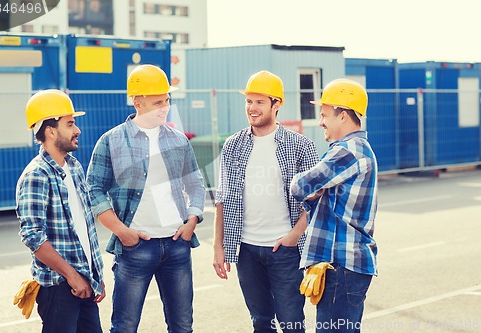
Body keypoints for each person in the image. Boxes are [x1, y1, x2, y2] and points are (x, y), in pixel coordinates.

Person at [86, 64, 206, 333]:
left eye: (166, 100)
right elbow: (93, 189)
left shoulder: (179, 140)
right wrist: (121, 231)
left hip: (177, 245)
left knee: (183, 326)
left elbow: (196, 183)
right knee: (125, 327)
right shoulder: (111, 141)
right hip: (134, 248)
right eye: (157, 102)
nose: (164, 107)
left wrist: (192, 219)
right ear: (137, 102)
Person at [213, 70, 320, 333]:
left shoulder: (300, 146)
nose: (252, 108)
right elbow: (222, 198)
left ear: (277, 104)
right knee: (261, 323)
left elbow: (315, 201)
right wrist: (219, 246)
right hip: (246, 250)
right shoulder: (233, 145)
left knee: (292, 323)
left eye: (260, 102)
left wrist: (294, 236)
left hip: (284, 250)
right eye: (249, 101)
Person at [290, 78, 378, 333]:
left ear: (343, 116)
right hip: (344, 265)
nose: (320, 122)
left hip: (342, 265)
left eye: (324, 114)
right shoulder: (352, 150)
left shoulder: (348, 151)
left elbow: (300, 187)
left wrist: (311, 188)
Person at [15, 89, 106, 332]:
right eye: (70, 123)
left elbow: (84, 227)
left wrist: (94, 276)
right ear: (51, 131)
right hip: (58, 287)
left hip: (84, 282)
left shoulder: (74, 167)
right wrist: (72, 275)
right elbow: (33, 236)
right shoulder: (36, 175)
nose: (77, 130)